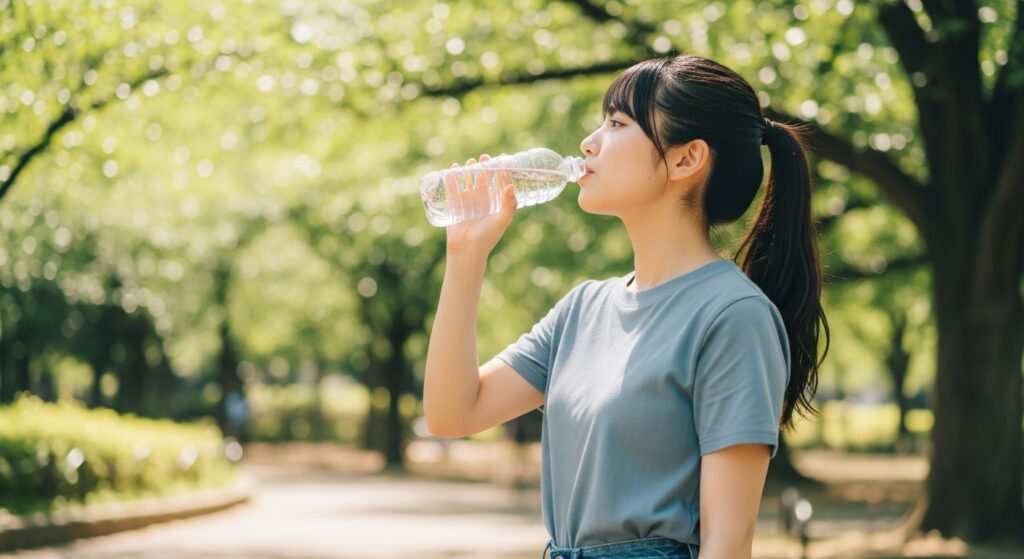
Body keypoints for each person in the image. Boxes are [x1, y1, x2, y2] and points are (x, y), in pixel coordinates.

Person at [423, 54, 829, 559]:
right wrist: (466, 255)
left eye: (616, 123)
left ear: (687, 159)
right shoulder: (583, 309)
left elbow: (729, 542)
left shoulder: (733, 316)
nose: (588, 142)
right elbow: (451, 413)